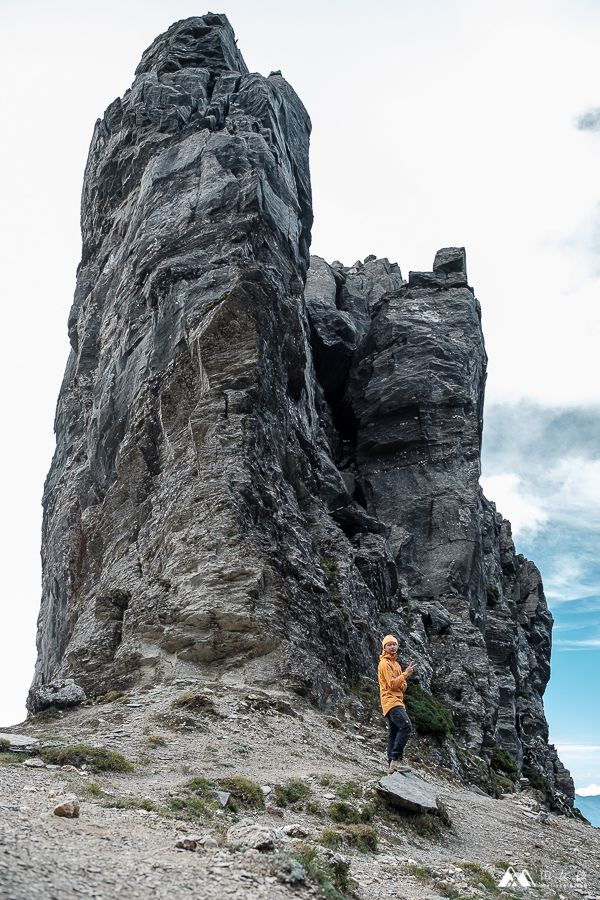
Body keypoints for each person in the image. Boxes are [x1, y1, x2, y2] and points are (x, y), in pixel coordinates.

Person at [377, 635, 415, 774]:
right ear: (384, 648)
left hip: (397, 701)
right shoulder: (384, 664)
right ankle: (396, 759)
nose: (392, 647)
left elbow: (403, 687)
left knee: (393, 734)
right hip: (390, 701)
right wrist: (405, 674)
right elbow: (393, 684)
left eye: (394, 644)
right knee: (406, 726)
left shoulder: (396, 665)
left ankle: (391, 766)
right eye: (389, 645)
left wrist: (400, 677)